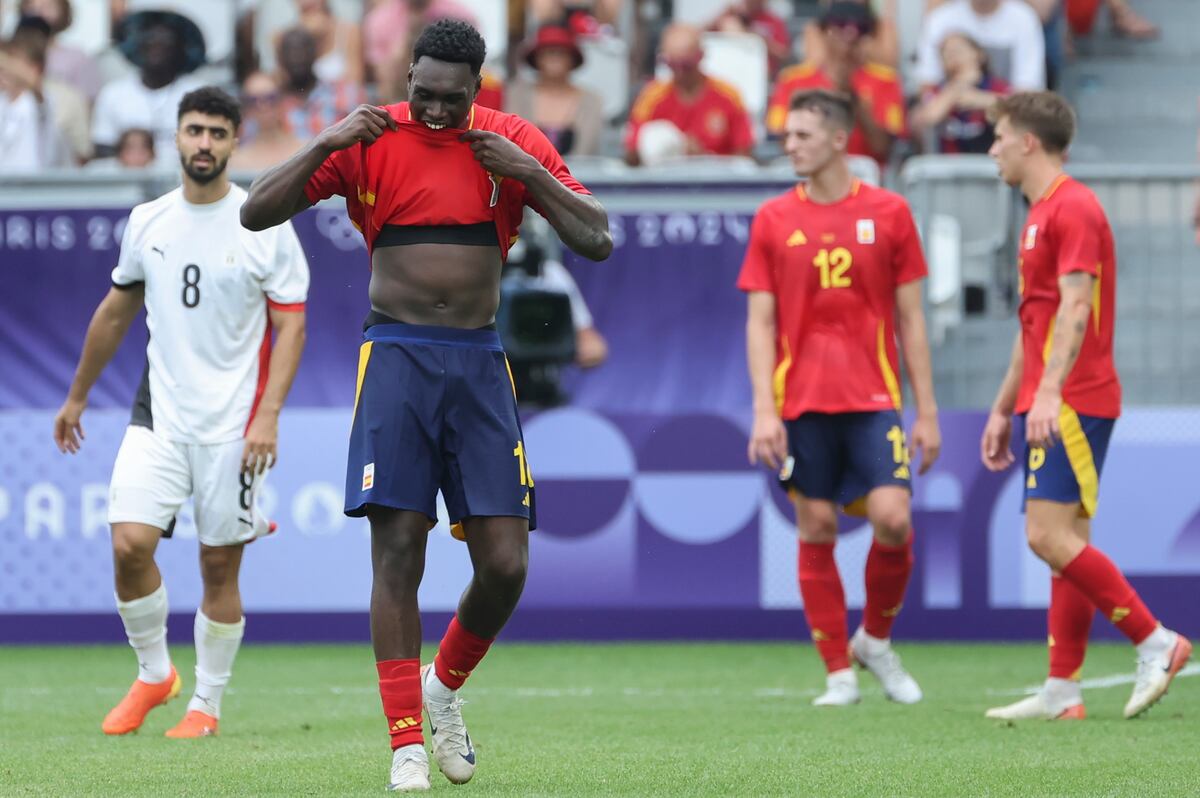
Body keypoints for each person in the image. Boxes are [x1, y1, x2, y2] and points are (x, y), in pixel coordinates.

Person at [239, 19, 610, 791]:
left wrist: (529, 175)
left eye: (452, 98)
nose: (436, 111)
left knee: (504, 564)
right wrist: (323, 142)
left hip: (479, 360)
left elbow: (597, 236)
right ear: (407, 76)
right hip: (397, 356)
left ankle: (442, 688)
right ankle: (406, 743)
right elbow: (255, 212)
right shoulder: (369, 136)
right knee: (399, 548)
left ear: (478, 88)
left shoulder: (511, 141)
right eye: (425, 94)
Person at [52, 86, 309, 739]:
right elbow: (116, 312)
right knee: (128, 544)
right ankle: (154, 674)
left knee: (218, 566)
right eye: (195, 130)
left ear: (234, 142)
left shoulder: (263, 223)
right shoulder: (149, 220)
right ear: (177, 136)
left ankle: (207, 706)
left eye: (217, 133)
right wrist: (78, 395)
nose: (204, 143)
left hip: (234, 425)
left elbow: (291, 326)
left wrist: (268, 416)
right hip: (159, 415)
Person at [981, 92, 1191, 721]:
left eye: (999, 137)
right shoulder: (1040, 214)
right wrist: (1003, 407)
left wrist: (1048, 392)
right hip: (1050, 396)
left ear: (1028, 142)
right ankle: (1063, 689)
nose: (991, 149)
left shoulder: (1073, 207)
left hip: (1073, 397)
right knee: (1067, 539)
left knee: (1045, 535)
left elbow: (1077, 306)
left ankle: (1156, 641)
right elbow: (1035, 323)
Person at [739, 88, 941, 707]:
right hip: (801, 401)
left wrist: (927, 411)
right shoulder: (773, 218)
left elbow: (911, 319)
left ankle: (874, 640)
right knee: (818, 523)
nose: (790, 145)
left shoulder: (890, 212)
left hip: (874, 397)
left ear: (838, 138)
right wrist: (764, 410)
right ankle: (838, 674)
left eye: (801, 135)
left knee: (893, 518)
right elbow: (760, 322)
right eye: (786, 135)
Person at [767, 2, 906, 165]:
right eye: (840, 25)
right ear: (824, 32)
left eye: (861, 27)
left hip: (864, 174)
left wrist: (853, 98)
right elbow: (781, 140)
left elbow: (883, 147)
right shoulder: (793, 79)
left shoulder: (886, 81)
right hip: (809, 171)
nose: (851, 34)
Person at [623, 22, 755, 165]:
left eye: (686, 65)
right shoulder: (651, 97)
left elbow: (744, 155)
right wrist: (665, 146)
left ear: (701, 56)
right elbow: (631, 154)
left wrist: (703, 157)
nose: (680, 72)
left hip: (718, 176)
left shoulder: (728, 96)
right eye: (672, 65)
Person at [91, 11, 205, 164]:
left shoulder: (200, 95)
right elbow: (103, 147)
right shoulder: (113, 93)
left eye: (166, 39)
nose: (156, 43)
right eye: (150, 37)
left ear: (180, 47)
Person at [505, 25, 604, 157]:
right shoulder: (516, 95)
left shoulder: (592, 101)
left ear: (573, 58)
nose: (554, 58)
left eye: (562, 53)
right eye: (548, 52)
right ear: (536, 58)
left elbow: (589, 149)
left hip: (580, 170)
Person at [912, 32, 1010, 153]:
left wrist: (981, 100)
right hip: (947, 161)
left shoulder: (996, 86)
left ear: (978, 54)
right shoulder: (939, 90)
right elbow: (929, 117)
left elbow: (1016, 109)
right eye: (946, 53)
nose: (952, 55)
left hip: (990, 157)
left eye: (958, 50)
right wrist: (958, 86)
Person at [917, 0, 1045, 91]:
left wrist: (976, 99)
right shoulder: (940, 19)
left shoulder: (1024, 18)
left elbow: (1029, 90)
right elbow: (927, 85)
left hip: (1009, 116)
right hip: (950, 117)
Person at [276, 26, 366, 142]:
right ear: (281, 58)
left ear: (316, 53)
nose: (297, 58)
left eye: (302, 50)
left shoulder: (344, 93)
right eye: (290, 52)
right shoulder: (271, 104)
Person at [0, 35, 69, 171]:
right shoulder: (2, 100)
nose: (5, 72)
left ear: (34, 67)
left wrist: (7, 61)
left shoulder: (38, 98)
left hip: (32, 181)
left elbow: (34, 82)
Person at [231, 70, 304, 171]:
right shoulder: (238, 161)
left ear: (282, 100)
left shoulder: (304, 150)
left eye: (270, 98)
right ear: (246, 108)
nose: (263, 106)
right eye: (253, 100)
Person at [709, 0, 792, 78]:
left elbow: (783, 54)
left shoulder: (774, 21)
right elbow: (703, 36)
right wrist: (722, 15)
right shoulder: (732, 17)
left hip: (762, 75)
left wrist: (758, 39)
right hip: (729, 72)